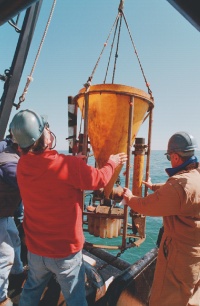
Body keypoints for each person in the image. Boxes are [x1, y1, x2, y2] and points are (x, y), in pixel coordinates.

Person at [10, 109, 127, 306]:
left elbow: (49, 169)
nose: (49, 130)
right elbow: (98, 180)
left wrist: (74, 163)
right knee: (75, 297)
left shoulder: (22, 165)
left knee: (31, 289)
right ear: (44, 137)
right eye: (46, 128)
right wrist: (111, 163)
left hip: (36, 250)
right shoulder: (69, 165)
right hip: (64, 253)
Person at [123, 131, 200, 306]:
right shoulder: (196, 176)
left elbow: (147, 206)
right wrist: (154, 186)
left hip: (178, 256)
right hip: (195, 254)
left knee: (165, 299)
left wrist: (129, 198)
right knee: (188, 297)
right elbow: (179, 193)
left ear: (175, 156)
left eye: (169, 157)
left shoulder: (178, 186)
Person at [0, 133, 26, 306]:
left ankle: (17, 272)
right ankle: (1, 297)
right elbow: (27, 183)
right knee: (5, 255)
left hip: (5, 212)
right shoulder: (10, 163)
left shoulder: (7, 148)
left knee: (14, 238)